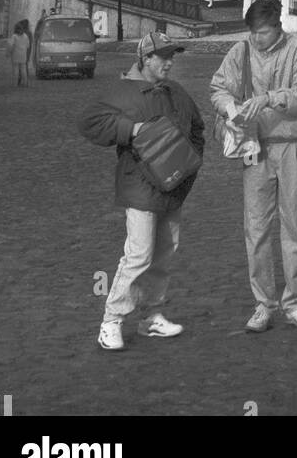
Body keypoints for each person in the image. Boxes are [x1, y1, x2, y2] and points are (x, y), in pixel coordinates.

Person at [77, 32, 205, 352]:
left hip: (173, 186)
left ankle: (152, 316)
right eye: (163, 57)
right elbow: (89, 122)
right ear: (145, 59)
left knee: (164, 254)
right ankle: (112, 320)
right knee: (139, 254)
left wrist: (191, 162)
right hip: (140, 188)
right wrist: (131, 130)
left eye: (172, 55)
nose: (169, 61)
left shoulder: (176, 91)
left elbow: (197, 128)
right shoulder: (122, 91)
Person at [210, 0, 297, 333]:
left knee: (295, 226)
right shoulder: (240, 52)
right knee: (255, 228)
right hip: (254, 148)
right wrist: (230, 108)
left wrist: (270, 98)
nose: (257, 39)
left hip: (293, 145)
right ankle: (263, 303)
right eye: (253, 32)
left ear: (278, 27)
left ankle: (296, 302)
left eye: (264, 32)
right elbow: (217, 88)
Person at [7, 19, 31, 86]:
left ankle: (15, 83)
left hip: (15, 55)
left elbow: (11, 45)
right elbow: (28, 45)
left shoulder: (14, 36)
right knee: (23, 70)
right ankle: (25, 83)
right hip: (23, 55)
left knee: (16, 70)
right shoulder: (25, 36)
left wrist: (8, 53)